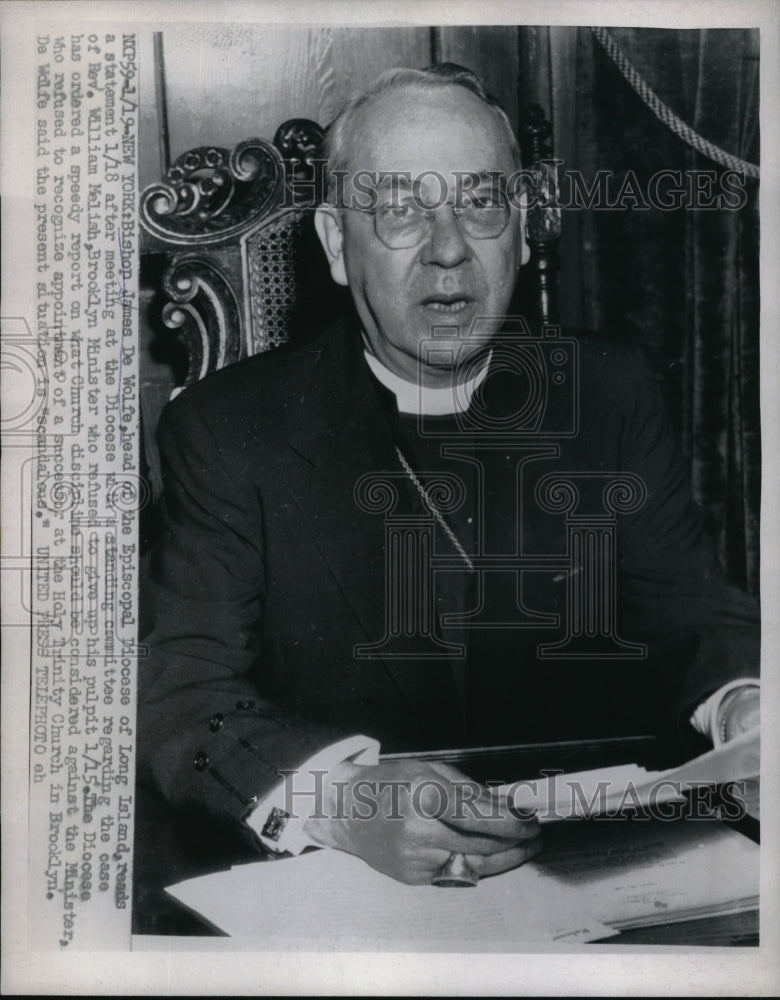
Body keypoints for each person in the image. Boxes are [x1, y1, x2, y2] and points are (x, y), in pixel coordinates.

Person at [138, 64, 760, 888]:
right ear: (334, 243)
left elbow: (691, 615)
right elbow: (183, 695)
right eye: (399, 210)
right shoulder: (224, 430)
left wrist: (749, 708)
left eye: (480, 202)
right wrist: (349, 803)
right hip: (345, 885)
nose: (448, 248)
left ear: (525, 224)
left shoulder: (610, 389)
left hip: (594, 870)